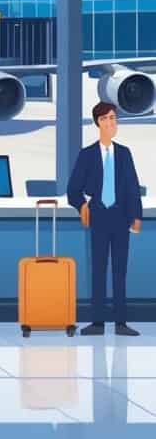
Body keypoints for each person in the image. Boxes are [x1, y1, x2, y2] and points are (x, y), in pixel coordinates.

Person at [67, 101, 142, 337]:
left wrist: (136, 216)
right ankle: (97, 322)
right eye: (106, 119)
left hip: (121, 218)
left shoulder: (124, 153)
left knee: (120, 271)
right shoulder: (87, 155)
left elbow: (132, 187)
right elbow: (73, 189)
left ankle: (121, 322)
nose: (111, 123)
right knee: (98, 270)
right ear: (97, 122)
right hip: (98, 218)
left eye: (113, 118)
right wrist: (81, 206)